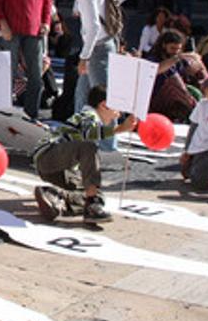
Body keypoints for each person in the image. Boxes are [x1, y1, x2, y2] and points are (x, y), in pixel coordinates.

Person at [31, 86, 137, 224]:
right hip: (49, 154)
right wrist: (120, 129)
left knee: (96, 193)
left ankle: (57, 198)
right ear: (104, 105)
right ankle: (92, 206)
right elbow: (89, 133)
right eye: (117, 108)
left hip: (60, 168)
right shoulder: (89, 115)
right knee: (89, 148)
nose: (119, 114)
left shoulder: (91, 117)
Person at [58, 0, 116, 115]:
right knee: (82, 96)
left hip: (97, 48)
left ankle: (106, 141)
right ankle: (81, 134)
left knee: (102, 102)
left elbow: (93, 27)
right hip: (103, 43)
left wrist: (84, 57)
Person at [145, 29, 208, 123]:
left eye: (178, 49)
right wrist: (178, 57)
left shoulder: (177, 60)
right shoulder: (153, 59)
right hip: (156, 99)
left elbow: (198, 73)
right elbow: (156, 70)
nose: (175, 52)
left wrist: (198, 63)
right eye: (172, 48)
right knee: (173, 81)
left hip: (176, 101)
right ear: (164, 45)